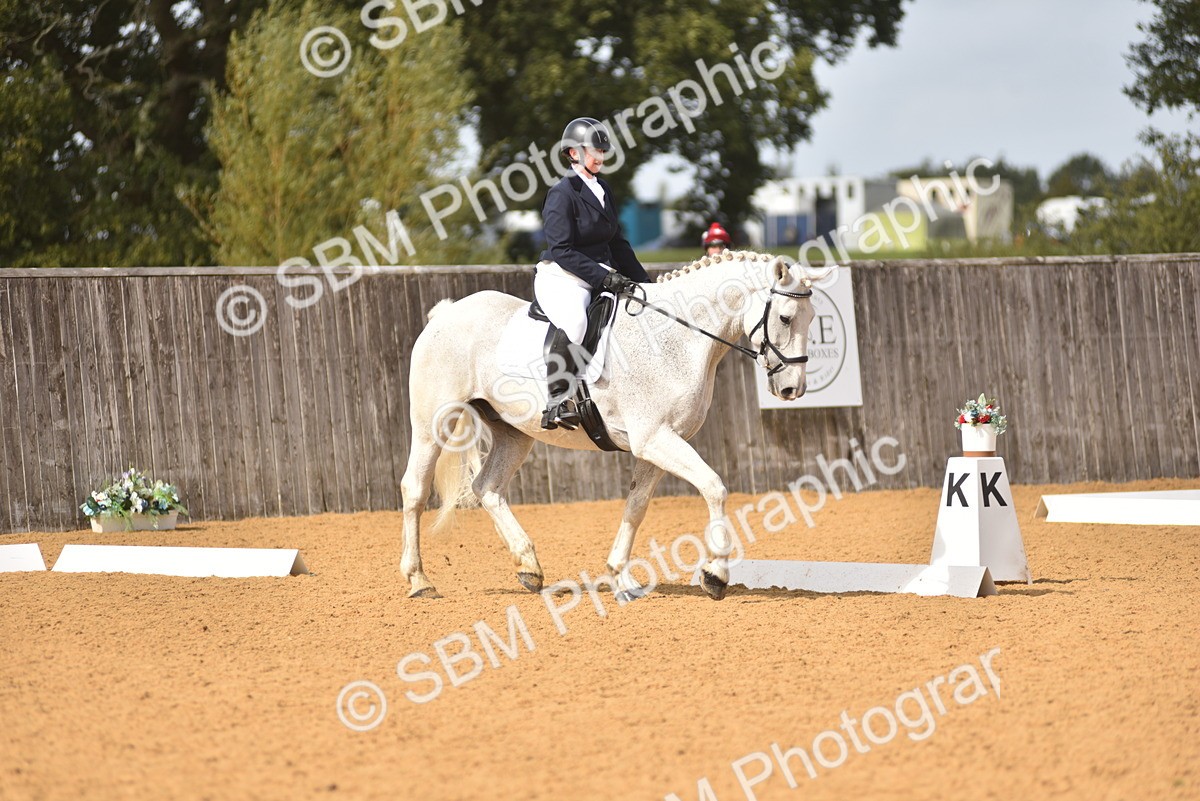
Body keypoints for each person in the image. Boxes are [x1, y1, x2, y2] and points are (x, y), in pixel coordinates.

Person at [535, 117, 650, 430]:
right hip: (562, 276)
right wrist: (603, 276)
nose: (600, 155)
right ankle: (557, 399)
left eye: (602, 149)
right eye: (593, 150)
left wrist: (645, 283)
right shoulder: (562, 193)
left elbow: (617, 242)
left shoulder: (603, 190)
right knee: (576, 320)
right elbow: (561, 249)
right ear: (573, 153)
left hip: (598, 274)